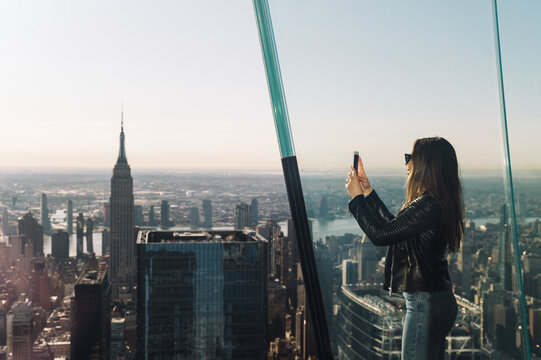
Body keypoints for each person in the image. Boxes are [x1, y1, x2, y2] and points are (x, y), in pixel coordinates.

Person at [345, 137, 463, 360]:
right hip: (436, 301)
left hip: (425, 305)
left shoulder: (427, 205)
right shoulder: (435, 202)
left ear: (427, 165)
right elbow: (394, 230)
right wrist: (368, 192)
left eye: (411, 157)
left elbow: (381, 236)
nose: (406, 163)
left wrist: (357, 199)